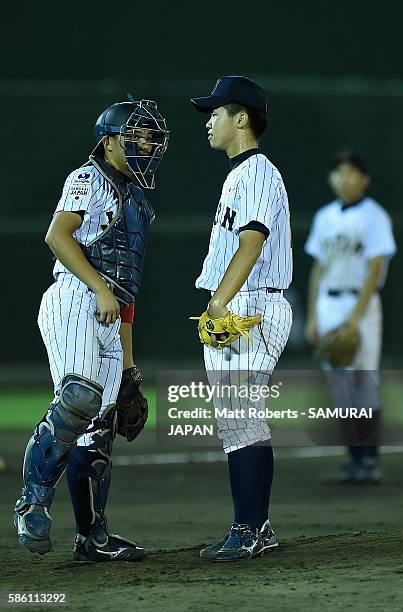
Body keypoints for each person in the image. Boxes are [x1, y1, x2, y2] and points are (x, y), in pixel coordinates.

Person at [14, 97, 169, 560]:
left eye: (150, 137)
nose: (145, 143)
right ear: (108, 140)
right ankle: (32, 503)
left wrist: (130, 369)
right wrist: (99, 286)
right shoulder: (88, 178)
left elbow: (126, 297)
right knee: (79, 396)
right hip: (76, 298)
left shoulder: (139, 199)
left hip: (109, 311)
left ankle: (92, 538)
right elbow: (58, 236)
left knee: (99, 428)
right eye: (136, 135)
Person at [190, 76, 293, 562]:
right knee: (245, 421)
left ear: (242, 119)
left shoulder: (253, 172)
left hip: (249, 305)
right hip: (248, 302)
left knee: (238, 419)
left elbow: (252, 241)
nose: (208, 120)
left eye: (216, 112)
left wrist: (218, 303)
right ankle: (258, 527)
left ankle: (247, 529)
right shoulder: (245, 173)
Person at [304, 150, 396, 482]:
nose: (342, 179)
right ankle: (354, 458)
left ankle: (370, 460)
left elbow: (374, 270)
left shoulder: (375, 216)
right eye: (337, 173)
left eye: (350, 172)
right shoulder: (325, 216)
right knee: (340, 387)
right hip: (329, 304)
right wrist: (313, 316)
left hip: (361, 304)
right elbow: (318, 268)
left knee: (364, 382)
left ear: (364, 178)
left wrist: (355, 319)